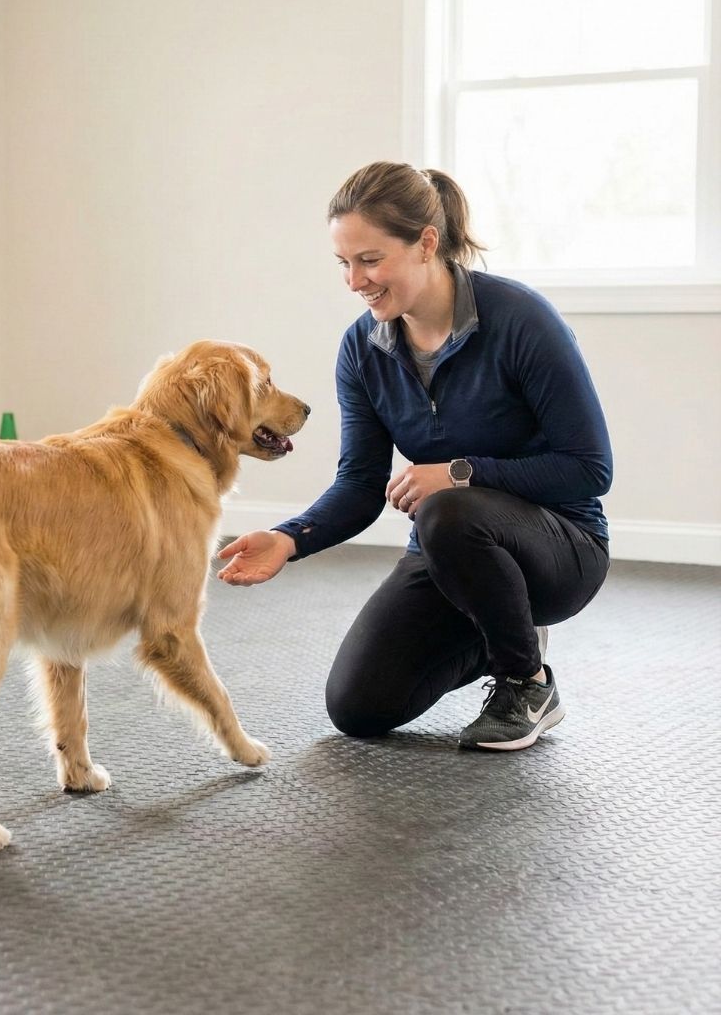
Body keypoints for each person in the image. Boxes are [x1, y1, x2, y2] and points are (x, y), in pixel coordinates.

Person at [217, 161, 612, 751]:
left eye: (370, 260)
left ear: (426, 243)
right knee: (358, 707)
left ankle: (526, 681)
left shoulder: (521, 321)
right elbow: (359, 481)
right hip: (450, 548)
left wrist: (460, 474)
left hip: (560, 547)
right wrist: (290, 538)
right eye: (344, 263)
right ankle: (499, 629)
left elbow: (589, 468)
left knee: (447, 512)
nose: (355, 281)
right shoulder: (362, 349)